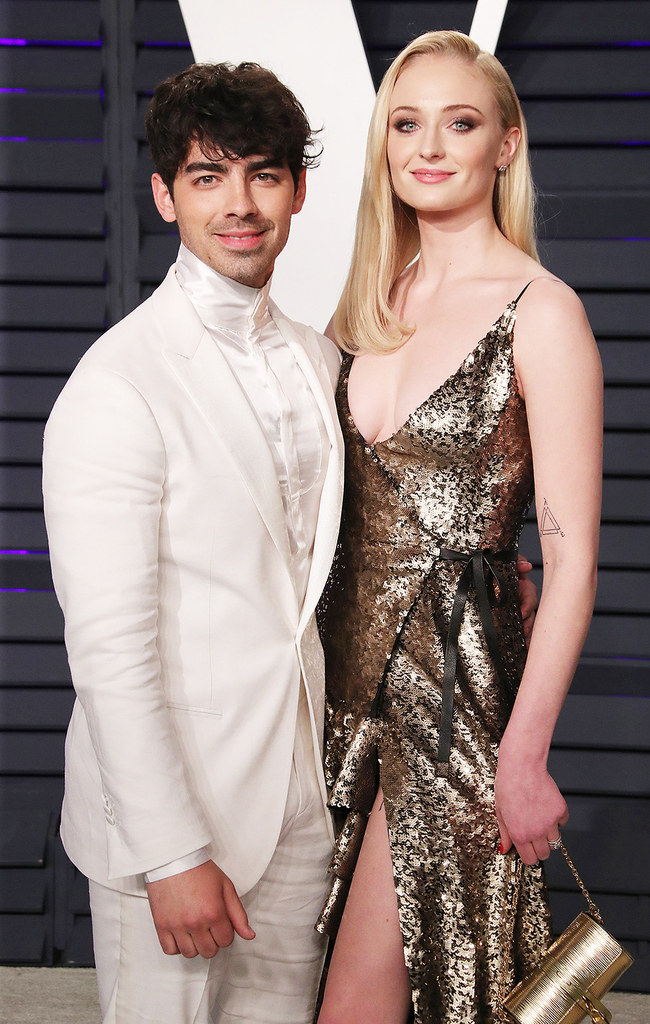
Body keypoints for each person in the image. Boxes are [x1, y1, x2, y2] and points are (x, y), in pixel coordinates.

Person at [42, 62, 345, 1024]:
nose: (241, 205)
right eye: (209, 177)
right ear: (166, 194)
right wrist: (171, 854)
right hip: (171, 822)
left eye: (263, 174)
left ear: (298, 190)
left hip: (299, 801)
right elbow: (108, 649)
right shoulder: (118, 383)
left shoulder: (318, 357)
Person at [315, 30, 602, 1024]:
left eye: (460, 121)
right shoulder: (360, 306)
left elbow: (567, 558)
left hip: (447, 709)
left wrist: (523, 752)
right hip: (333, 698)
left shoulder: (540, 311)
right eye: (406, 122)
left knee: (361, 1006)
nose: (428, 146)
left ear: (504, 146)